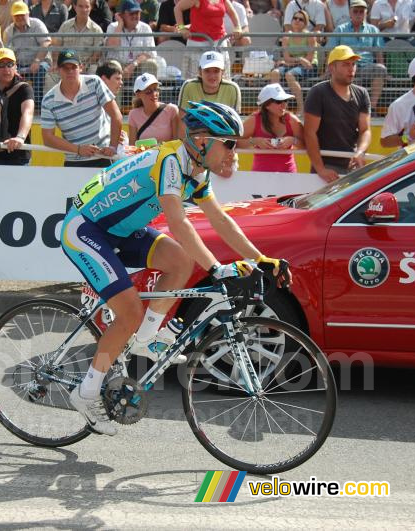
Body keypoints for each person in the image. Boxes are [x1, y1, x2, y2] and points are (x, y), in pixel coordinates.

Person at [61, 100, 290, 435]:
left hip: (120, 230)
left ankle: (145, 340)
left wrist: (260, 258)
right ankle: (87, 391)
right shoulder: (170, 161)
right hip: (85, 230)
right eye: (228, 143)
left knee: (180, 262)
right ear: (201, 141)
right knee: (128, 313)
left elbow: (221, 221)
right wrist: (216, 268)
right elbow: (179, 224)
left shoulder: (198, 172)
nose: (232, 152)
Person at [41, 49, 122, 167]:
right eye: (65, 68)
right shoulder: (48, 101)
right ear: (58, 70)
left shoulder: (94, 82)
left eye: (73, 67)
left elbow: (116, 116)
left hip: (104, 157)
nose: (70, 71)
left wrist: (112, 147)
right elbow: (47, 138)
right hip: (74, 162)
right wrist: (78, 149)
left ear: (81, 68)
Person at [304, 45, 371, 181]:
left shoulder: (362, 93)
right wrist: (321, 169)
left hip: (352, 167)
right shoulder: (318, 92)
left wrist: (360, 152)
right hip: (326, 169)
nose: (351, 68)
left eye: (353, 64)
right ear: (331, 68)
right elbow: (309, 133)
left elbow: (365, 130)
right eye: (346, 64)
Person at [0, 48, 35, 165]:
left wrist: (20, 137)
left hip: (19, 153)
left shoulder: (24, 89)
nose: (6, 69)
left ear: (15, 67)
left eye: (10, 64)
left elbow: (28, 113)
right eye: (1, 64)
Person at [331, 0, 386, 112]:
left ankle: (372, 108)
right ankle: (351, 109)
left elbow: (379, 53)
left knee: (381, 69)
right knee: (345, 74)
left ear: (366, 13)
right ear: (350, 13)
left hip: (367, 67)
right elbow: (331, 51)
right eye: (355, 11)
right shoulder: (340, 29)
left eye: (361, 11)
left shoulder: (373, 30)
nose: (358, 14)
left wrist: (384, 69)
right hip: (346, 66)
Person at [238, 83, 304, 172]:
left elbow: (309, 145)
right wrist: (254, 141)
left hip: (288, 175)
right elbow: (234, 143)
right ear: (266, 105)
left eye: (285, 100)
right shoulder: (254, 120)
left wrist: (293, 140)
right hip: (260, 176)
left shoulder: (292, 120)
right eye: (278, 101)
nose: (284, 104)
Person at [46, 0, 105, 93]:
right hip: (65, 65)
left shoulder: (96, 30)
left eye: (87, 7)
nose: (84, 9)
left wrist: (84, 66)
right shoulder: (65, 26)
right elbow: (57, 47)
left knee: (93, 73)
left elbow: (96, 55)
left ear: (91, 8)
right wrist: (55, 63)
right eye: (80, 6)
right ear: (74, 7)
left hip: (86, 67)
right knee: (50, 75)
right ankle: (49, 105)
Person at [174, 0, 241, 78]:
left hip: (219, 43)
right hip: (198, 44)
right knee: (196, 78)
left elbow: (232, 12)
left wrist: (238, 27)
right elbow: (177, 8)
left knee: (222, 77)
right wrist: (182, 28)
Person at [269, 10, 318, 115]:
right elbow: (287, 58)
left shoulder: (310, 36)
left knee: (289, 74)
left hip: (310, 67)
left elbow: (309, 60)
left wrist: (291, 62)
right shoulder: (286, 37)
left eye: (301, 19)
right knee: (275, 73)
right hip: (294, 64)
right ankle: (276, 105)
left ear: (305, 23)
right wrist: (299, 60)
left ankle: (301, 108)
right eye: (295, 18)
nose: (297, 21)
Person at [4, 1, 52, 103]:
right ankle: (15, 106)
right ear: (12, 16)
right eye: (17, 15)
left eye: (22, 14)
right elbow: (7, 53)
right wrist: (13, 67)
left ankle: (38, 105)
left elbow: (46, 43)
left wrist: (37, 60)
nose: (20, 17)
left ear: (28, 13)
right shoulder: (8, 31)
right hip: (19, 65)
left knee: (41, 69)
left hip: (40, 62)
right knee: (8, 72)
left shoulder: (37, 24)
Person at [105, 0, 159, 83]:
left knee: (151, 64)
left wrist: (133, 65)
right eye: (131, 13)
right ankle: (115, 96)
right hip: (118, 66)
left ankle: (146, 94)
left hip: (138, 66)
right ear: (122, 15)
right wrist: (120, 24)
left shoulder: (145, 28)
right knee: (112, 66)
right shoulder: (113, 27)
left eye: (137, 13)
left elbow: (149, 53)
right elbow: (112, 46)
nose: (135, 16)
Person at [128, 73, 180, 144]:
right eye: (148, 92)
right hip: (143, 154)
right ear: (138, 95)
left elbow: (177, 143)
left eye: (156, 89)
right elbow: (132, 146)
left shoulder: (172, 110)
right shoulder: (133, 114)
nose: (154, 94)